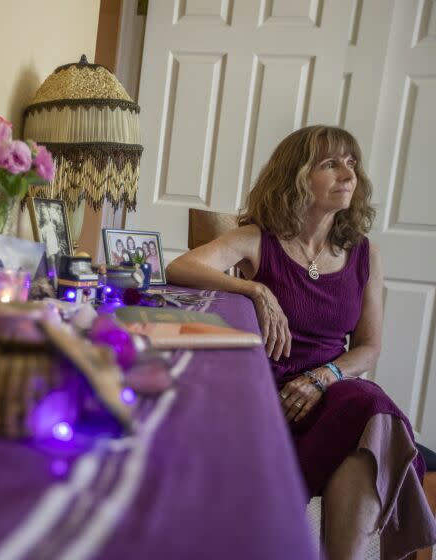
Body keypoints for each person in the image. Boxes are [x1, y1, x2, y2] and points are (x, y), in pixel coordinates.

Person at [166, 125, 436, 560]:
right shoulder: (258, 239)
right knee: (366, 435)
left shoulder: (366, 254)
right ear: (296, 176)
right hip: (267, 391)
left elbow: (368, 347)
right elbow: (180, 268)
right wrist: (256, 289)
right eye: (331, 163)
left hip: (330, 388)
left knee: (372, 410)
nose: (348, 174)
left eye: (352, 163)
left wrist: (324, 377)